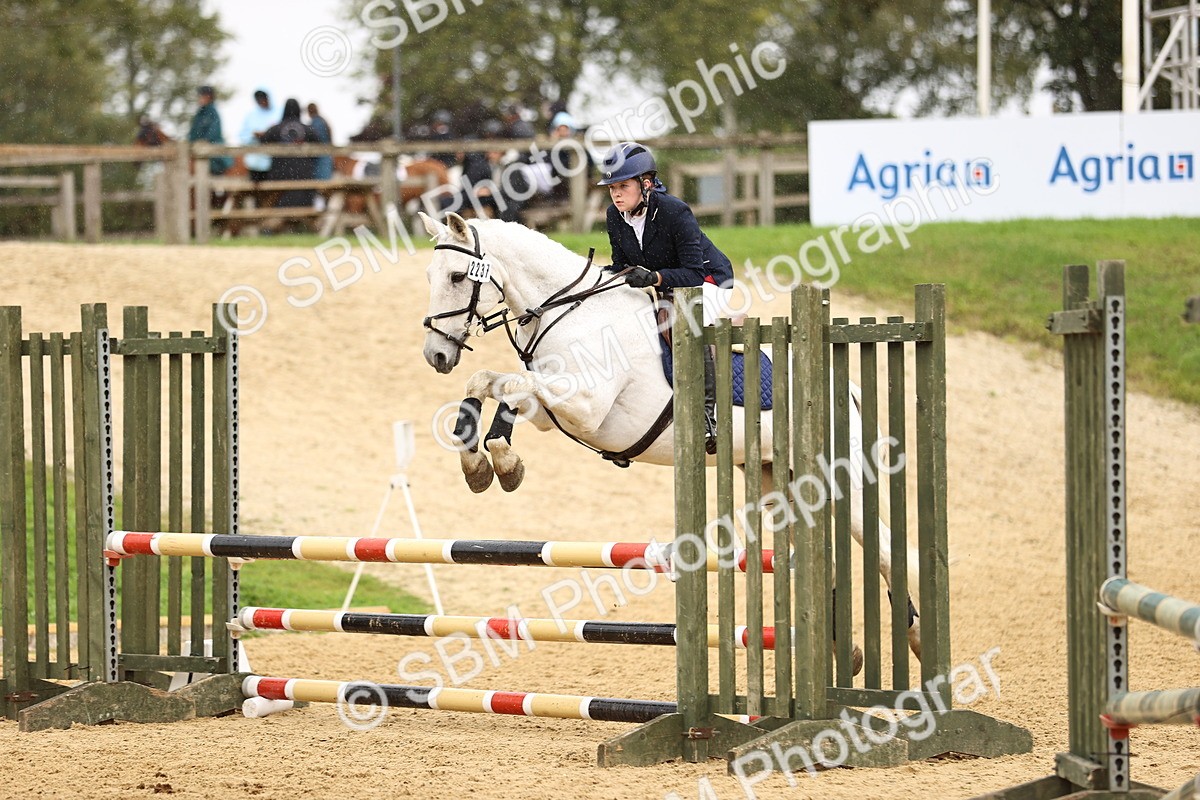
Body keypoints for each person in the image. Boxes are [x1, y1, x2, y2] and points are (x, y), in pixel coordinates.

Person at [598, 141, 733, 454]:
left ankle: (706, 415)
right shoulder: (614, 215)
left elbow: (694, 272)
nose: (616, 194)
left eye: (623, 186)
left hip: (710, 282)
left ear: (646, 184)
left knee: (679, 322)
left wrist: (655, 277)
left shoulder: (674, 211)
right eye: (612, 188)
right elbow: (621, 265)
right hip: (667, 286)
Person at [260, 98, 318, 208]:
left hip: (280, 174)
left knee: (281, 206)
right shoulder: (308, 130)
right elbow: (319, 144)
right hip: (303, 175)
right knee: (303, 206)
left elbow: (263, 142)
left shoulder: (275, 129)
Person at [187, 86, 232, 176]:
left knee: (216, 163)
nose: (199, 99)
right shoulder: (199, 114)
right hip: (196, 146)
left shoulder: (213, 112)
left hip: (212, 144)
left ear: (208, 97)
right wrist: (191, 142)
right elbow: (193, 131)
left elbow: (214, 131)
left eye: (201, 96)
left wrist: (204, 141)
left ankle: (217, 184)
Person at [239, 88, 276, 182]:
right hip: (254, 163)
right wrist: (254, 135)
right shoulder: (250, 116)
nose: (262, 102)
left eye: (264, 98)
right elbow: (243, 135)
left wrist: (268, 134)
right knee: (255, 190)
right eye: (259, 99)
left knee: (271, 190)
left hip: (273, 162)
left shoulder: (277, 113)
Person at [306, 102, 333, 181]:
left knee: (320, 178)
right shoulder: (322, 121)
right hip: (326, 153)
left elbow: (315, 139)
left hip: (319, 155)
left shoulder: (315, 122)